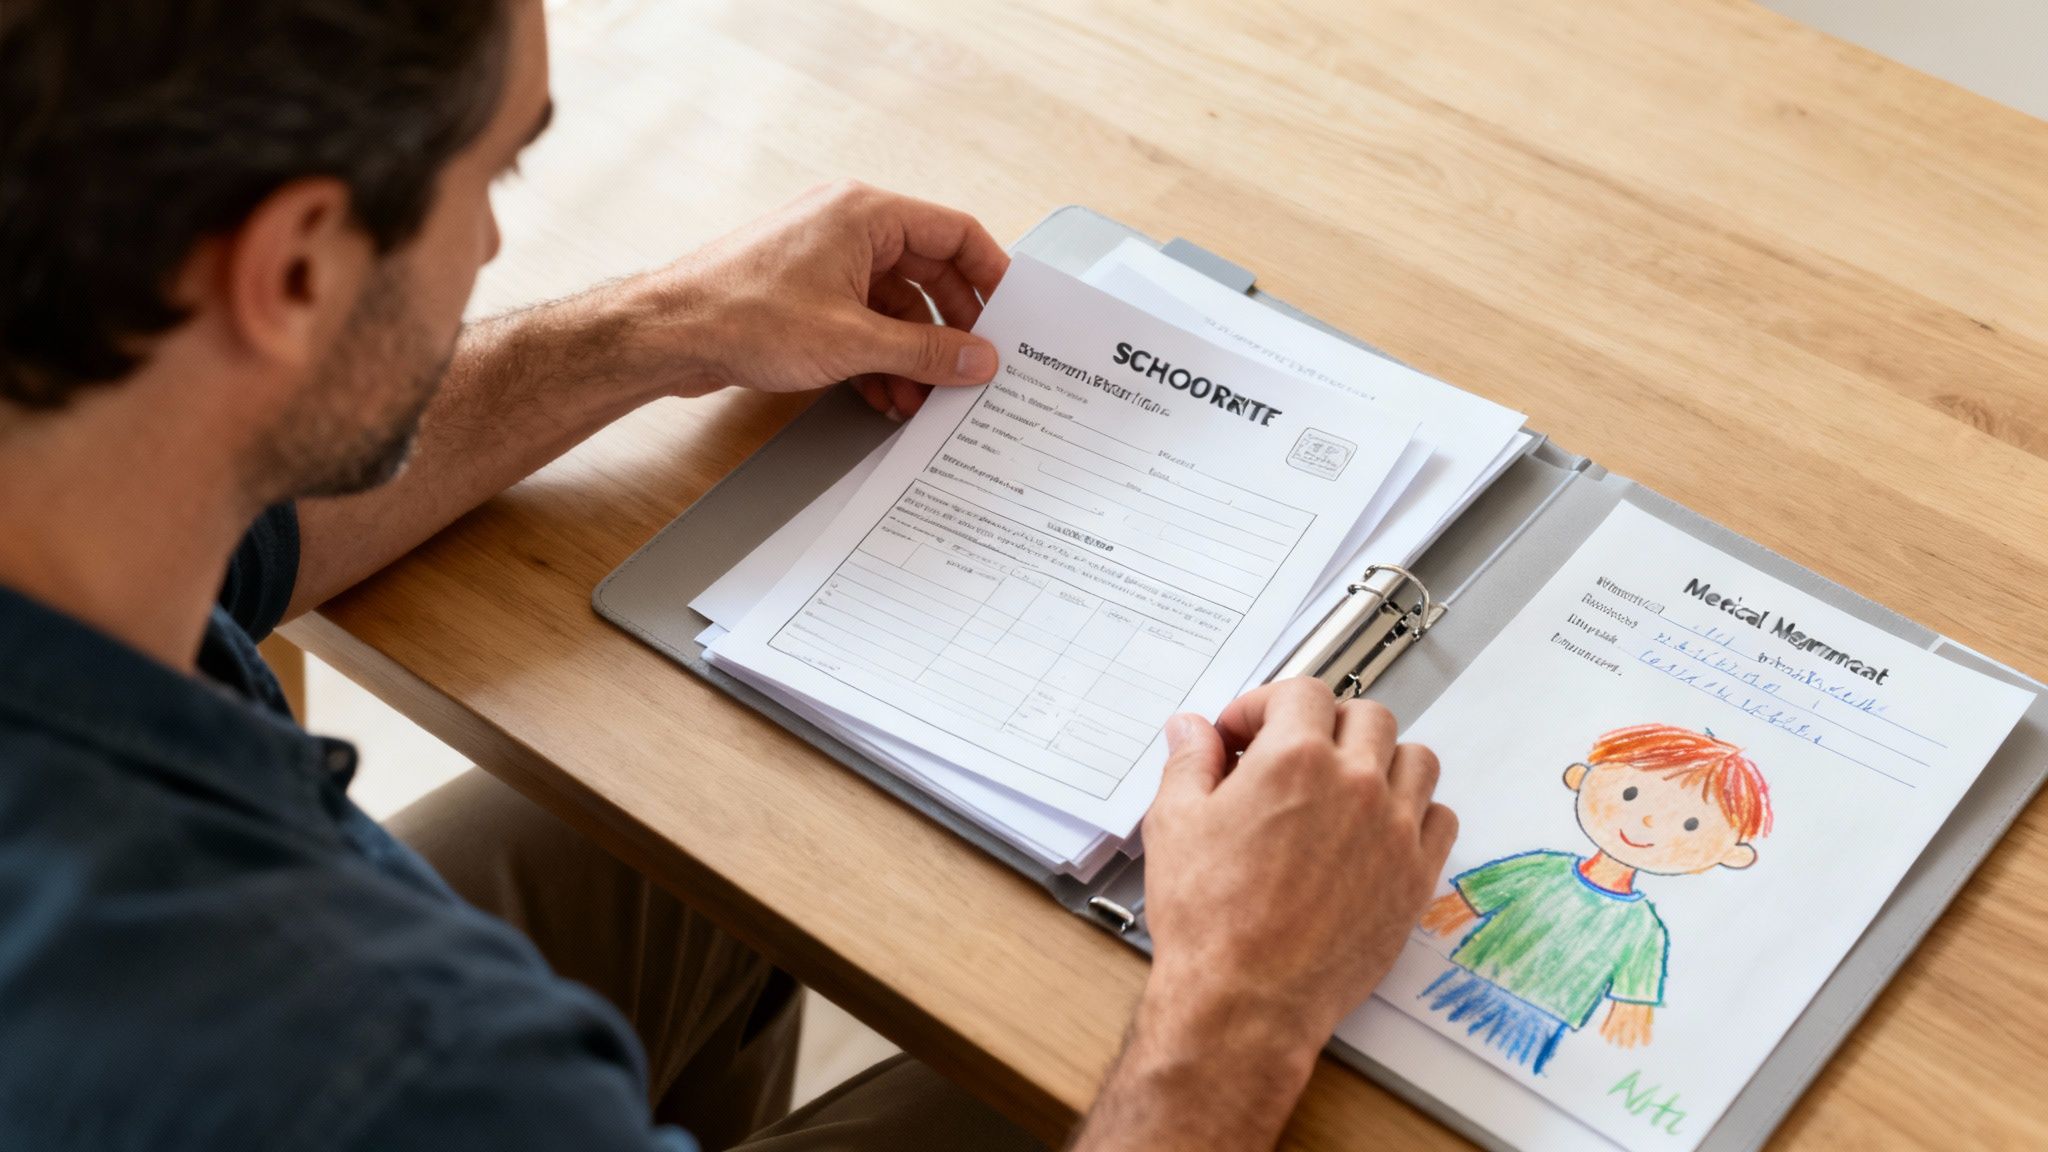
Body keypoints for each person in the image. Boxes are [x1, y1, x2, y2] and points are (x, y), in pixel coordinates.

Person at [0, 2, 1458, 1148]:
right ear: (298, 266)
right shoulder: (390, 1064)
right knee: (1083, 1082)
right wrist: (1242, 1006)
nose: (500, 236)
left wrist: (657, 327)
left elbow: (252, 512)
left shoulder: (64, 451)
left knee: (688, 834)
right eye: (493, 170)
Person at [1417, 724, 1771, 1074]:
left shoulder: (1644, 929)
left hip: (1540, 1023)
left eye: (1691, 824)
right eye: (1630, 794)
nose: (1647, 819)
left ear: (1731, 854)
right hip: (1462, 980)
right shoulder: (1539, 870)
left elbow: (1628, 1021)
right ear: (1580, 778)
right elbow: (1442, 913)